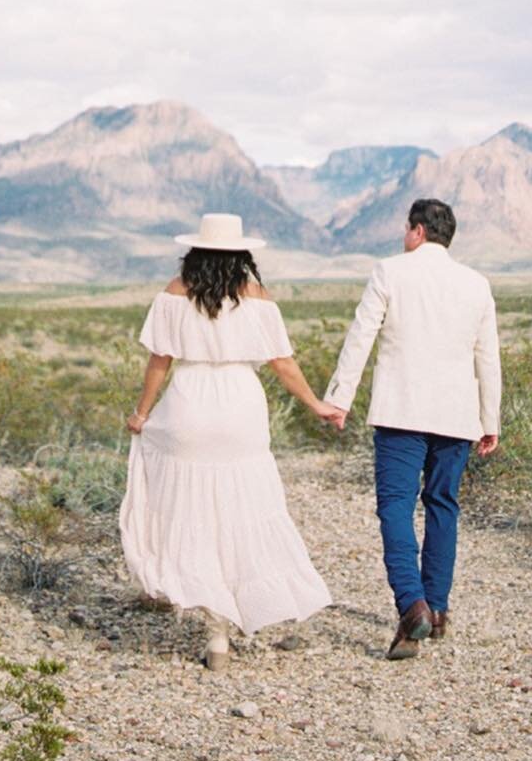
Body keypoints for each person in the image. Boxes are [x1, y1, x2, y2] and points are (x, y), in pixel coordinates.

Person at [119, 210, 340, 670]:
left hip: (189, 404)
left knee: (193, 511)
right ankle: (234, 614)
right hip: (241, 406)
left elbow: (159, 362)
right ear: (242, 252)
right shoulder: (258, 296)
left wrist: (141, 414)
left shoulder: (174, 292)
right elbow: (282, 363)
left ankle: (215, 631)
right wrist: (316, 403)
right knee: (241, 509)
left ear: (196, 249)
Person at [325, 196, 501, 659]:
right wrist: (490, 419)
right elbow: (488, 357)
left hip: (401, 413)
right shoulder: (476, 284)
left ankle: (412, 606)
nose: (404, 236)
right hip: (457, 416)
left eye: (407, 228)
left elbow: (360, 336)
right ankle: (437, 609)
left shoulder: (389, 272)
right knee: (443, 505)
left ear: (419, 231)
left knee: (396, 508)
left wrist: (339, 399)